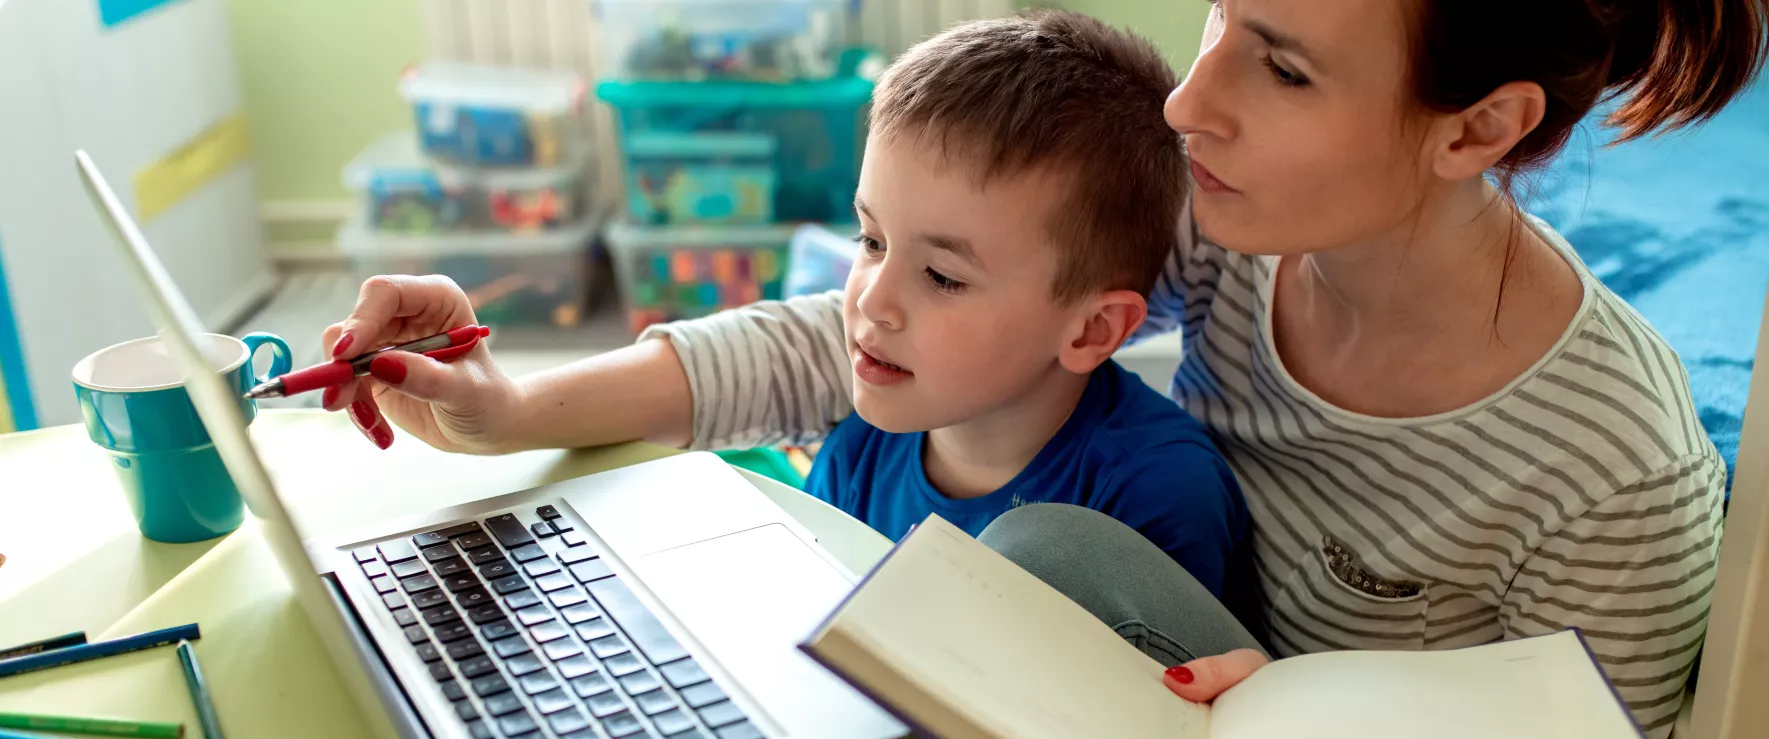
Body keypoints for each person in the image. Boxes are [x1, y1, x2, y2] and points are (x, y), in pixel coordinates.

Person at [321, 0, 1769, 739]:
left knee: (1046, 575)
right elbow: (859, 346)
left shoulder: (1610, 462)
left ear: (1480, 128)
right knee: (943, 662)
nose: (1192, 103)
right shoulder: (1233, 224)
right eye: (1217, 23)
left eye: (1276, 63)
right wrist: (514, 409)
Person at [318, 12, 1248, 598]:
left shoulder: (1157, 498)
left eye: (944, 277)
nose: (870, 303)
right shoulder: (861, 442)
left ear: (1092, 329)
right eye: (871, 240)